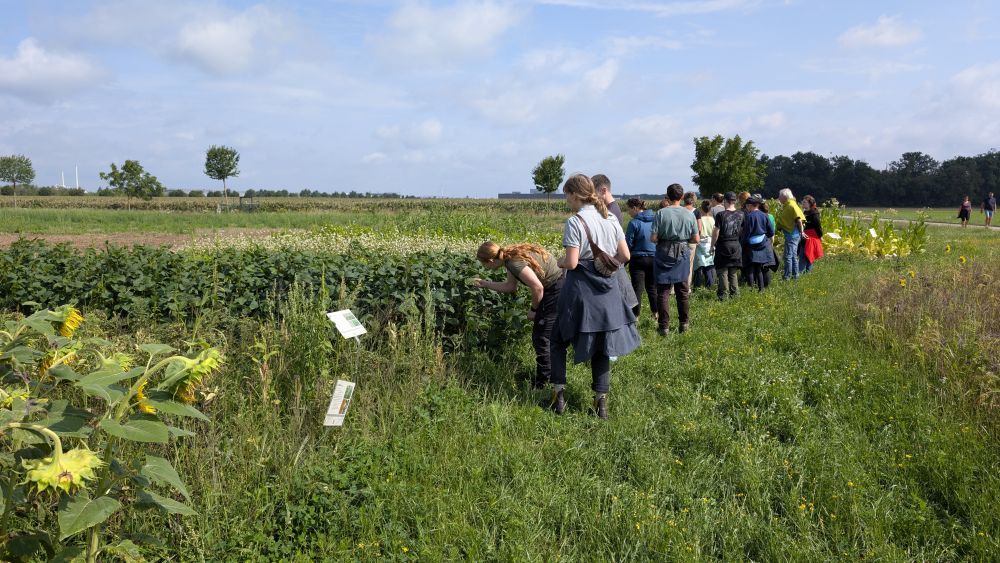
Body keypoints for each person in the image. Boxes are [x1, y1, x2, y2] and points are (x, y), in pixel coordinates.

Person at [551, 174, 640, 419]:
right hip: (608, 290)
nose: (566, 200)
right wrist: (606, 267)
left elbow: (571, 262)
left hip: (580, 291)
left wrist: (559, 261)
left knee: (558, 339)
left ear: (574, 194)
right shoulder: (610, 218)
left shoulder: (575, 221)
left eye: (566, 195)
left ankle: (558, 395)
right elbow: (625, 255)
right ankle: (600, 402)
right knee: (603, 346)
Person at [474, 241, 564, 389]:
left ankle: (543, 383)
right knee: (546, 335)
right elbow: (510, 286)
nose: (485, 268)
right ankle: (549, 378)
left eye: (484, 264)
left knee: (542, 337)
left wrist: (534, 310)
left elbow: (538, 288)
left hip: (555, 289)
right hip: (557, 285)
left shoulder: (513, 262)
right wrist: (485, 284)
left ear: (490, 260)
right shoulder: (509, 257)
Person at [652, 183, 699, 335]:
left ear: (667, 196)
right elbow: (696, 238)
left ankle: (664, 326)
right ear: (682, 196)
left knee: (663, 292)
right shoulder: (689, 214)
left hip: (664, 252)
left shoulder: (660, 213)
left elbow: (653, 238)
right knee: (682, 291)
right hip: (682, 252)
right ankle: (684, 323)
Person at [625, 198, 656, 318]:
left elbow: (628, 244)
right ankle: (656, 314)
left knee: (637, 289)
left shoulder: (634, 223)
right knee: (652, 288)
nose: (628, 212)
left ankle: (635, 316)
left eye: (628, 209)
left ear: (635, 208)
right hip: (654, 258)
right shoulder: (656, 220)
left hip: (638, 259)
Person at [711, 192, 743, 300]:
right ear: (735, 201)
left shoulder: (721, 215)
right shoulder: (741, 214)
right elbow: (742, 230)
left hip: (723, 245)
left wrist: (712, 245)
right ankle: (735, 294)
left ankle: (723, 295)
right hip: (736, 244)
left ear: (725, 201)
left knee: (722, 271)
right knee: (733, 271)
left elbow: (716, 232)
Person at [742, 194, 775, 291]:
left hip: (751, 245)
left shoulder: (749, 217)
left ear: (750, 206)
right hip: (762, 244)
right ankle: (761, 289)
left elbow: (746, 233)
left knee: (750, 267)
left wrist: (742, 244)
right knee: (759, 268)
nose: (746, 207)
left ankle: (751, 289)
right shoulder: (765, 215)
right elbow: (771, 232)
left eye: (747, 205)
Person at [775, 188, 807, 280]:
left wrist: (802, 232)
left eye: (780, 196)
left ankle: (787, 277)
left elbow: (799, 219)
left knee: (788, 257)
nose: (779, 198)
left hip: (792, 234)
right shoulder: (790, 205)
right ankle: (795, 276)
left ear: (785, 196)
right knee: (792, 256)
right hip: (792, 234)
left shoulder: (791, 205)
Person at [692, 200, 715, 289]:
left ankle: (697, 286)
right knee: (709, 266)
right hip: (710, 243)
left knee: (698, 267)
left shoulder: (699, 219)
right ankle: (710, 286)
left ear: (701, 209)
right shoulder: (712, 219)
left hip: (700, 243)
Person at [798, 195, 824, 273]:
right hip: (805, 235)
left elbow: (818, 226)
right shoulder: (805, 212)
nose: (803, 203)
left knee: (805, 254)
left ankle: (800, 272)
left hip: (811, 237)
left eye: (805, 202)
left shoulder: (814, 213)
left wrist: (819, 236)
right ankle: (806, 273)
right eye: (803, 202)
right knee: (806, 254)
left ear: (810, 203)